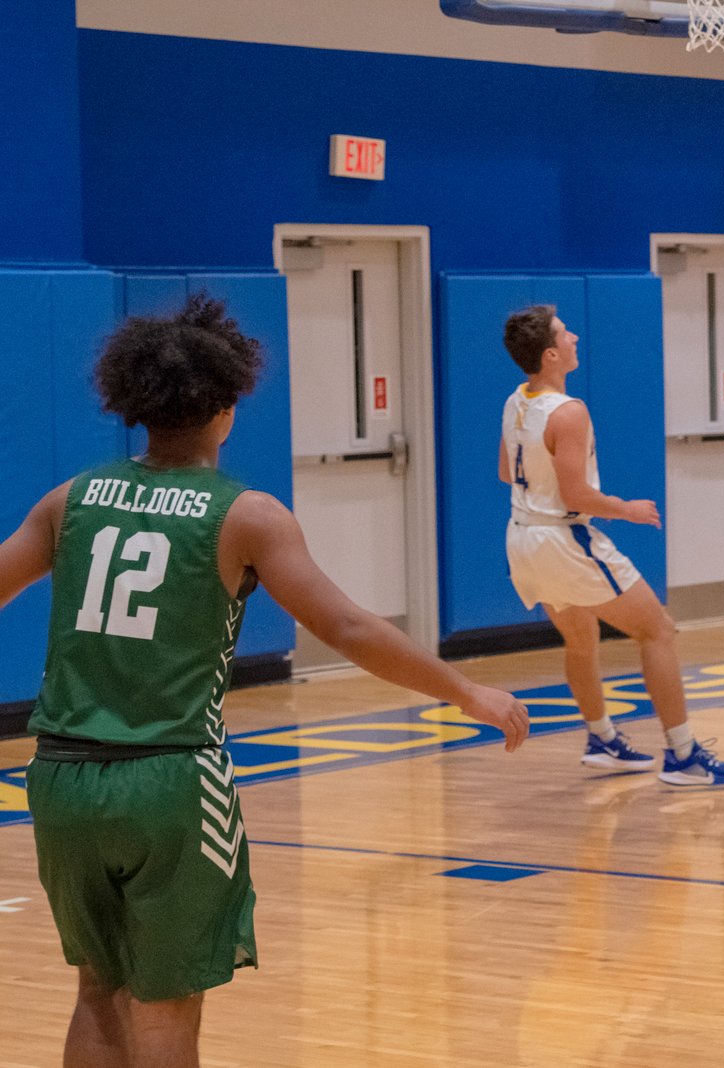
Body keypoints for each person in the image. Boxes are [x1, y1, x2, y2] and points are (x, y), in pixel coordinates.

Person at [1, 296, 529, 1068]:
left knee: (98, 987)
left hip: (60, 778)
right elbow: (347, 627)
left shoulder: (70, 500)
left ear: (136, 402)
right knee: (167, 1005)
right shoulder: (246, 515)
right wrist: (467, 691)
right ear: (225, 408)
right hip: (169, 778)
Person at [500, 305, 724, 786]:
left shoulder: (516, 401)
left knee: (580, 638)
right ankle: (683, 755)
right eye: (564, 334)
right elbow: (576, 495)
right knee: (658, 630)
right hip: (562, 538)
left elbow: (507, 472)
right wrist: (626, 508)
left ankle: (603, 740)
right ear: (550, 355)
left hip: (522, 536)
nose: (574, 337)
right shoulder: (569, 411)